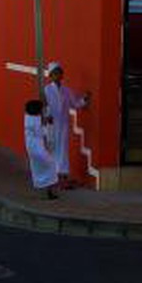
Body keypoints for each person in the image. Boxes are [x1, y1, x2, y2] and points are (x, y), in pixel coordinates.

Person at [43, 61, 89, 189]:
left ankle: (62, 178)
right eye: (55, 74)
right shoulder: (46, 90)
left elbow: (75, 103)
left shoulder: (66, 91)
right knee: (52, 151)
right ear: (50, 76)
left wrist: (84, 100)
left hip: (63, 125)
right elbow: (44, 106)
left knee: (63, 151)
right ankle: (52, 178)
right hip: (51, 125)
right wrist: (46, 116)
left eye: (59, 73)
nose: (57, 76)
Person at [23, 99, 58, 199]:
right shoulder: (35, 120)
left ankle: (47, 188)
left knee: (42, 166)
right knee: (50, 164)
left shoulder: (28, 118)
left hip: (33, 146)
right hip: (36, 147)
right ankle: (49, 189)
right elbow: (42, 133)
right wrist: (49, 124)